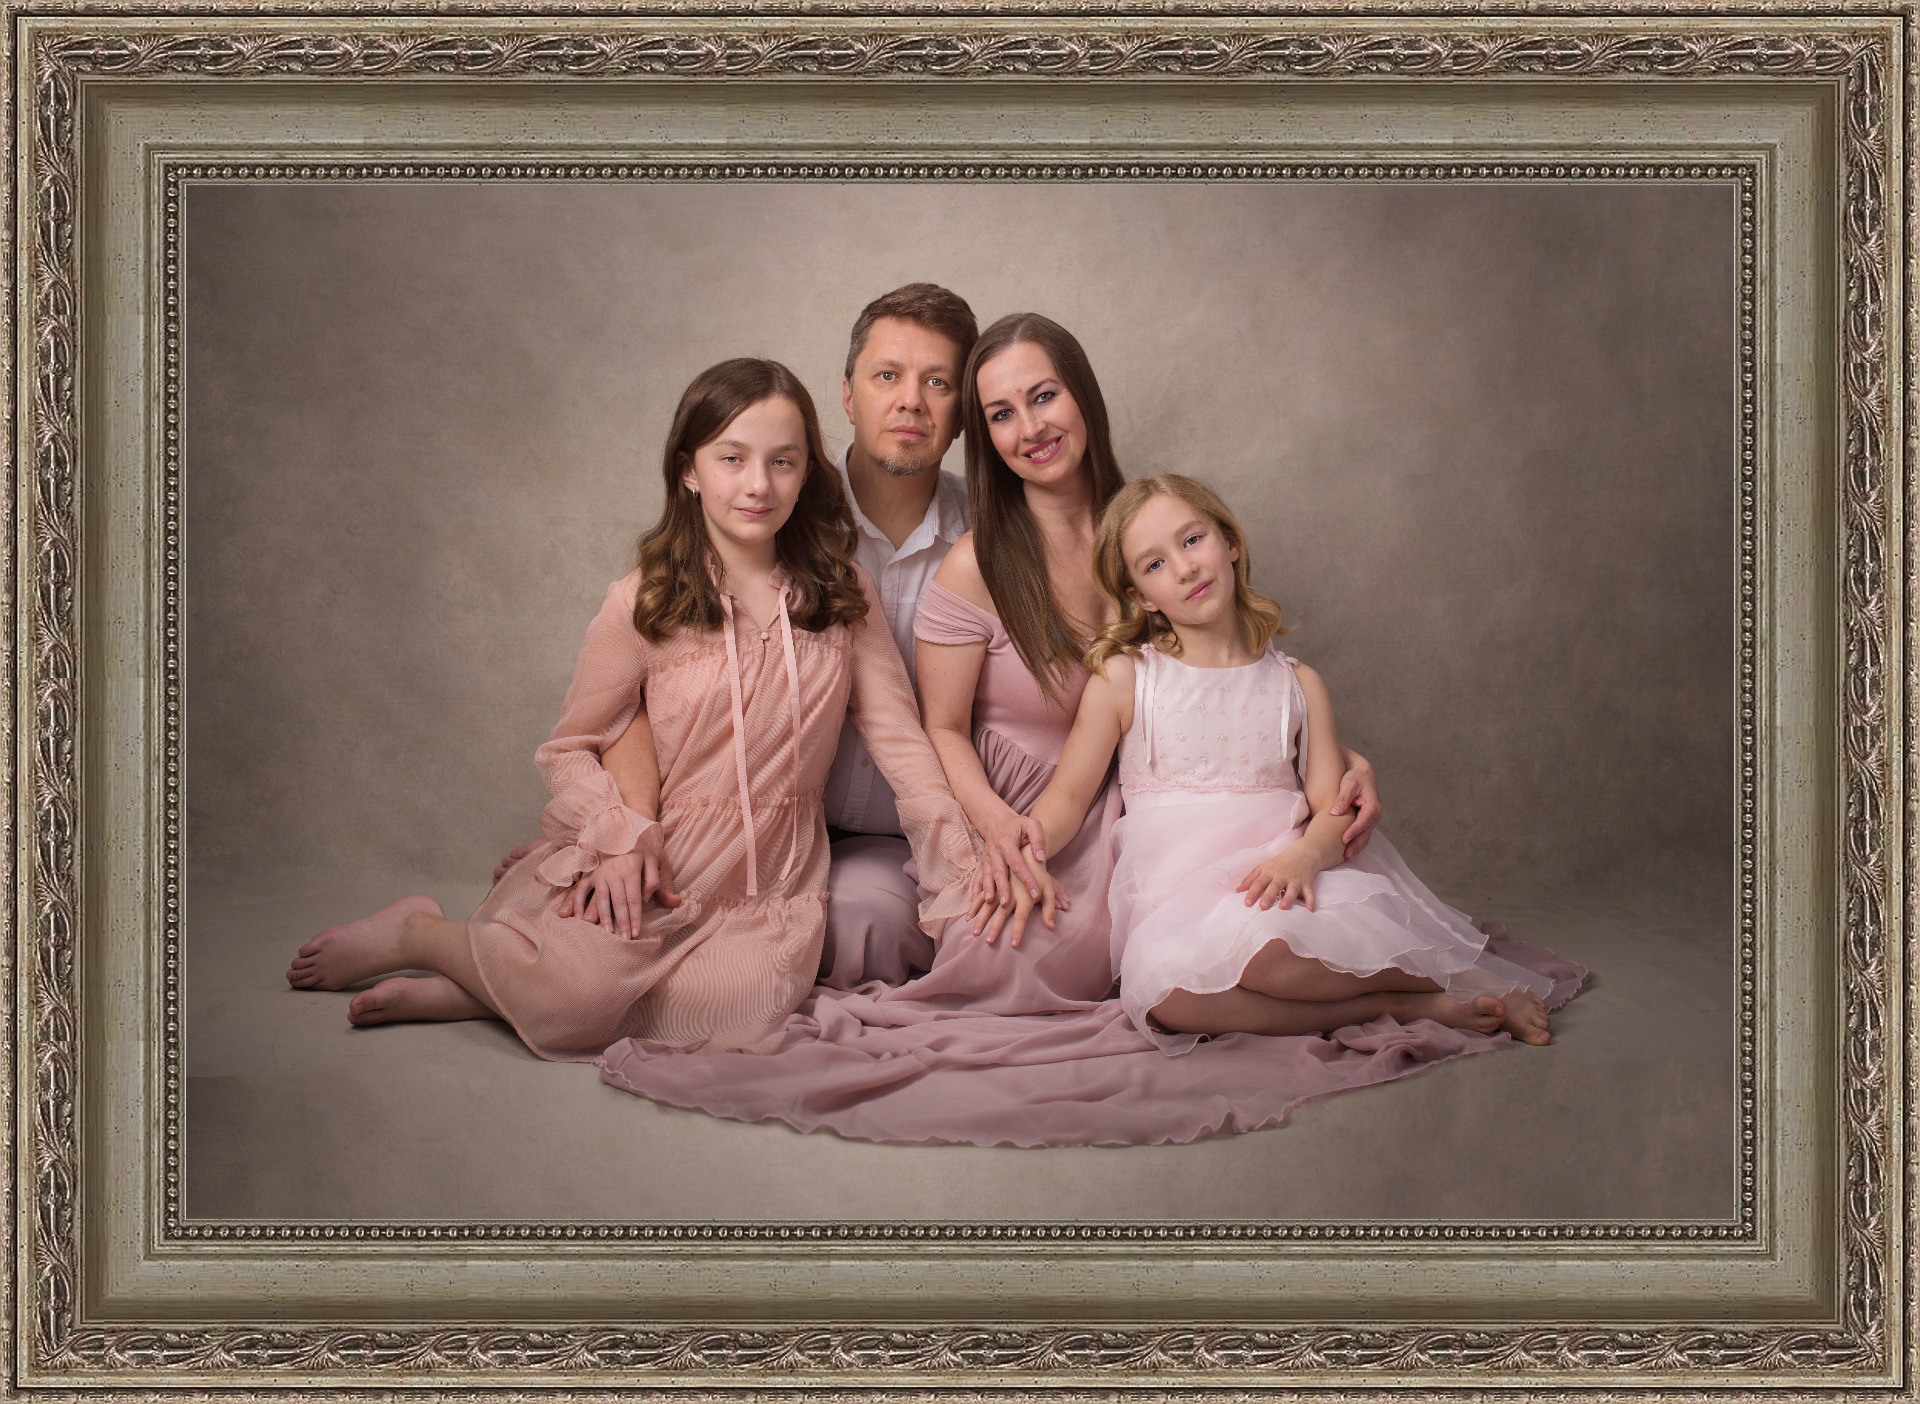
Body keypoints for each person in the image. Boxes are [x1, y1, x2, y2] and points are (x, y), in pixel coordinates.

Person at [595, 320, 1583, 1145]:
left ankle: (1391, 985)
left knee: (1157, 945)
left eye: (1046, 397)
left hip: (1147, 813)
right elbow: (930, 724)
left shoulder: (1148, 530)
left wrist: (1330, 762)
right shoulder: (957, 556)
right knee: (1005, 962)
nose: (1030, 426)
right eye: (1001, 412)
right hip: (1014, 810)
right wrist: (993, 832)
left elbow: (1234, 670)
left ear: (1084, 399)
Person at [285, 358, 980, 1058]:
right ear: (689, 470)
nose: (758, 485)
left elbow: (899, 740)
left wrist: (957, 857)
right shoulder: (643, 600)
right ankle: (423, 936)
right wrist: (617, 833)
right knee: (584, 990)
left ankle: (477, 990)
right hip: (664, 862)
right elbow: (570, 745)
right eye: (731, 459)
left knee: (742, 1012)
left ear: (806, 472)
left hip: (772, 877)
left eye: (783, 462)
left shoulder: (839, 590)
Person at [1017, 473, 1560, 1051]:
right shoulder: (1127, 678)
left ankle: (1463, 981)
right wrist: (1028, 848)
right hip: (1177, 905)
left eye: (1192, 540)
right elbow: (1069, 797)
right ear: (1140, 597)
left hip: (1277, 882)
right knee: (1166, 997)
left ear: (1230, 543)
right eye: (1153, 565)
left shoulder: (1295, 684)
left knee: (1271, 960)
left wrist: (1303, 857)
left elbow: (1334, 809)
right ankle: (1401, 1004)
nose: (1183, 568)